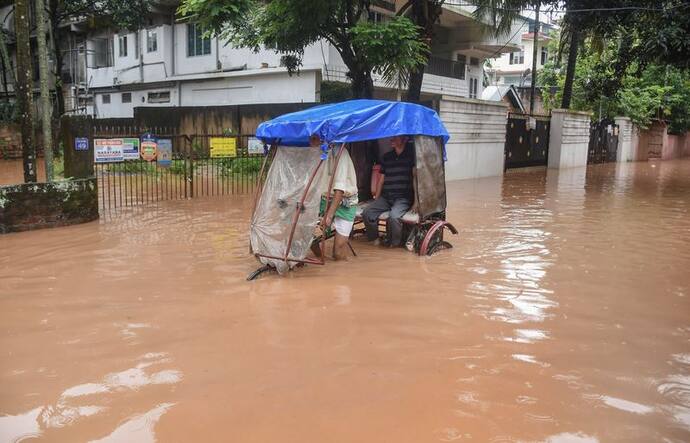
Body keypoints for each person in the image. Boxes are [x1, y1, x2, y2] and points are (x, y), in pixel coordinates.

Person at [309, 135, 358, 260]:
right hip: (324, 199)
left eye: (314, 139)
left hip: (345, 201)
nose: (310, 142)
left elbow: (339, 189)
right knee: (307, 235)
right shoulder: (317, 154)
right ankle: (321, 259)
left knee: (338, 254)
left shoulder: (340, 153)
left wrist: (329, 215)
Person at [363, 135, 416, 247]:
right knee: (367, 212)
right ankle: (375, 239)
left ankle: (394, 244)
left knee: (394, 217)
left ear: (405, 139)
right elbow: (381, 180)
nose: (391, 140)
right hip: (386, 197)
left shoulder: (411, 157)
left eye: (395, 138)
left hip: (403, 198)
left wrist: (416, 203)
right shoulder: (387, 157)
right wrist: (376, 199)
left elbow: (416, 178)